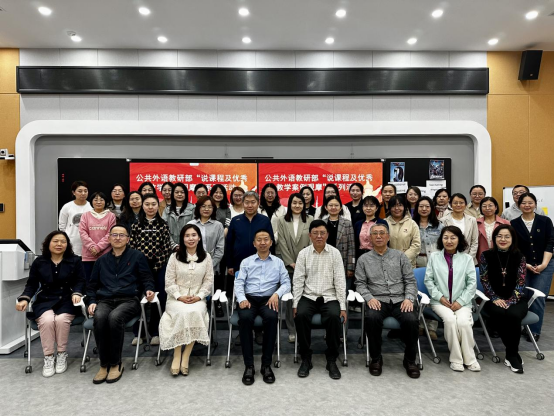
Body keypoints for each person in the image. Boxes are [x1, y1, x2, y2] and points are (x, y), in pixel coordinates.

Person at [86, 225, 155, 384]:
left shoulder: (137, 256)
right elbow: (92, 285)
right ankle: (104, 364)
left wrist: (149, 289)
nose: (118, 238)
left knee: (115, 317)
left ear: (128, 239)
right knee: (100, 317)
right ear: (109, 238)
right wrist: (91, 301)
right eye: (114, 235)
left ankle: (116, 363)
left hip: (129, 299)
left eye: (122, 235)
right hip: (105, 299)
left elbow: (147, 278)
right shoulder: (101, 260)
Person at [16, 231, 85, 378]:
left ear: (67, 245)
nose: (59, 244)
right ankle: (48, 357)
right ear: (48, 243)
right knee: (47, 320)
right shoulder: (39, 262)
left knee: (61, 320)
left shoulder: (75, 260)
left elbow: (80, 281)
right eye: (55, 241)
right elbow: (32, 284)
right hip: (45, 299)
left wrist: (77, 293)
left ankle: (61, 354)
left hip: (67, 299)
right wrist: (24, 299)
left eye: (63, 241)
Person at [355, 223, 421, 379]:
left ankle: (410, 360)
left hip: (400, 299)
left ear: (388, 237)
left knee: (411, 320)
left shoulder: (400, 256)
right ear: (370, 238)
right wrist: (369, 298)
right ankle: (376, 358)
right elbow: (360, 283)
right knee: (372, 318)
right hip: (377, 299)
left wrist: (409, 299)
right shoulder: (363, 259)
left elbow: (410, 281)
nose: (378, 236)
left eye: (382, 233)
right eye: (375, 234)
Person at [293, 220, 347, 380]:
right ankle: (306, 358)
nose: (319, 236)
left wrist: (342, 306)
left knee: (334, 317)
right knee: (301, 315)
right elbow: (298, 280)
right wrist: (295, 303)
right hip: (308, 296)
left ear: (327, 235)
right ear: (310, 235)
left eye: (322, 233)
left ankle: (331, 359)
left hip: (330, 296)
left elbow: (340, 281)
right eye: (315, 233)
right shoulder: (303, 254)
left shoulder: (335, 253)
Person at [236, 230, 291, 386]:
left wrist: (276, 294)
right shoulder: (246, 262)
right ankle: (249, 366)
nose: (262, 242)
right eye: (259, 240)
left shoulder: (278, 262)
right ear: (254, 243)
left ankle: (266, 365)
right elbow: (239, 283)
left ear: (271, 242)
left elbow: (286, 283)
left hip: (269, 298)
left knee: (272, 318)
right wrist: (242, 299)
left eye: (266, 239)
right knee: (245, 318)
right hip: (249, 298)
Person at [159, 224, 214, 376]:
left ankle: (186, 356)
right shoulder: (174, 257)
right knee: (182, 313)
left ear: (199, 238)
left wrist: (199, 296)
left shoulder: (206, 257)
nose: (191, 238)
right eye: (187, 235)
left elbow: (208, 281)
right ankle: (177, 355)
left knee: (195, 312)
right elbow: (169, 281)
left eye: (194, 235)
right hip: (176, 298)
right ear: (182, 239)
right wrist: (179, 296)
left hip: (197, 298)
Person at [424, 226, 480, 373]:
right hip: (440, 302)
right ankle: (456, 359)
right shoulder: (434, 257)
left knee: (463, 323)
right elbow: (428, 280)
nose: (449, 241)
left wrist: (460, 302)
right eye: (446, 237)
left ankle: (470, 359)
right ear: (441, 240)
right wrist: (440, 297)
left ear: (459, 240)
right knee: (450, 320)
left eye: (453, 238)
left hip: (462, 302)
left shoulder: (467, 259)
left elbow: (472, 284)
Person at [480, 225, 528, 374]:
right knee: (499, 313)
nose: (503, 239)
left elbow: (521, 281)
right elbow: (484, 280)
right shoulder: (486, 255)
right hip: (494, 299)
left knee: (513, 314)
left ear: (512, 239)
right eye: (499, 236)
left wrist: (511, 301)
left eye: (507, 236)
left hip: (516, 298)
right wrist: (494, 298)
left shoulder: (520, 256)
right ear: (494, 238)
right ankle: (513, 354)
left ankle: (511, 354)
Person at [511, 193, 554, 342]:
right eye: (524, 203)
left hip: (545, 264)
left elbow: (550, 242)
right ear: (519, 205)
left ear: (535, 204)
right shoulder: (514, 223)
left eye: (530, 202)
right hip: (523, 265)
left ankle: (534, 330)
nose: (527, 205)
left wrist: (544, 264)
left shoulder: (545, 221)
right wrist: (525, 264)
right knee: (522, 295)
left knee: (538, 297)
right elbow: (514, 247)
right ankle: (522, 326)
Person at [130, 194, 173, 345]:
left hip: (159, 267)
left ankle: (156, 332)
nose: (150, 207)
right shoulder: (136, 225)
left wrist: (156, 265)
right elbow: (132, 247)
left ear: (157, 206)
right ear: (142, 206)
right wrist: (142, 267)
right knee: (137, 298)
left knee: (159, 299)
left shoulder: (163, 225)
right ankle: (139, 333)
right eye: (147, 204)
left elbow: (166, 248)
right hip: (139, 269)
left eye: (153, 204)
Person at [276, 193, 313, 343]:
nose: (297, 205)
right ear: (289, 204)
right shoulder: (282, 221)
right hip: (289, 267)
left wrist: (303, 263)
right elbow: (282, 243)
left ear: (304, 205)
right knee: (290, 300)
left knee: (305, 298)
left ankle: (304, 329)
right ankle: (292, 330)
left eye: (300, 203)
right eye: (294, 203)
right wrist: (291, 262)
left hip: (307, 266)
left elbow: (311, 241)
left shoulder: (310, 220)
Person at [412, 196, 444, 340]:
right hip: (417, 261)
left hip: (434, 261)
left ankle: (432, 328)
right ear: (417, 208)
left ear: (431, 208)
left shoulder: (439, 226)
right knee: (417, 293)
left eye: (427, 206)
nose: (424, 209)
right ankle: (419, 324)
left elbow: (443, 245)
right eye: (421, 206)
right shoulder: (412, 224)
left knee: (433, 293)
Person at [319, 196, 356, 289]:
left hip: (343, 261)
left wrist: (351, 267)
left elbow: (351, 246)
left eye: (336, 205)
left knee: (343, 290)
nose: (333, 207)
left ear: (340, 208)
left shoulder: (347, 223)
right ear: (326, 207)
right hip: (325, 261)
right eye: (330, 205)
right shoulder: (322, 223)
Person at [79, 192, 117, 280]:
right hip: (89, 255)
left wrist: (98, 248)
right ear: (91, 202)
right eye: (95, 200)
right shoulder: (85, 215)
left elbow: (110, 233)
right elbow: (83, 233)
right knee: (89, 280)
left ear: (106, 202)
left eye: (101, 200)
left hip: (106, 254)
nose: (98, 202)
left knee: (106, 280)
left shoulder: (111, 216)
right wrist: (92, 247)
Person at [187, 196, 225, 275]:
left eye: (210, 207)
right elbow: (186, 245)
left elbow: (220, 249)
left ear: (213, 209)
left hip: (211, 267)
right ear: (198, 208)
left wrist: (210, 265)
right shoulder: (190, 224)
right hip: (192, 266)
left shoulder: (218, 226)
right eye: (203, 206)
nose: (206, 209)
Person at [440, 194, 479, 265]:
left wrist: (468, 258)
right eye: (455, 203)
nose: (458, 205)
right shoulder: (443, 220)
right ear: (450, 205)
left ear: (465, 205)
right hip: (448, 259)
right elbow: (442, 241)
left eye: (461, 203)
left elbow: (474, 242)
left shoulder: (472, 220)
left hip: (469, 260)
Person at [385, 196, 421, 268]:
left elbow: (416, 245)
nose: (397, 208)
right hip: (388, 264)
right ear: (389, 208)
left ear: (404, 207)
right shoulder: (384, 223)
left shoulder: (412, 223)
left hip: (407, 264)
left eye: (400, 205)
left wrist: (402, 259)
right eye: (393, 206)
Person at [58, 180, 91, 256]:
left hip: (88, 244)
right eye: (80, 191)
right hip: (71, 243)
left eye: (85, 191)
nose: (83, 193)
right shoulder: (67, 207)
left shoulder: (91, 206)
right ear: (73, 192)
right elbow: (62, 226)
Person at [162, 183, 195, 250]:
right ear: (173, 194)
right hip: (170, 248)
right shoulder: (167, 209)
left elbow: (195, 228)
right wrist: (174, 245)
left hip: (189, 247)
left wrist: (185, 244)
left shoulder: (192, 208)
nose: (179, 194)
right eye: (177, 192)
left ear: (186, 194)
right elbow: (164, 228)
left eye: (182, 192)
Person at [476, 197, 510, 264]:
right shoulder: (476, 223)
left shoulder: (505, 223)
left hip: (501, 257)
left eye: (490, 206)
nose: (487, 208)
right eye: (484, 206)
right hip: (481, 257)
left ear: (496, 207)